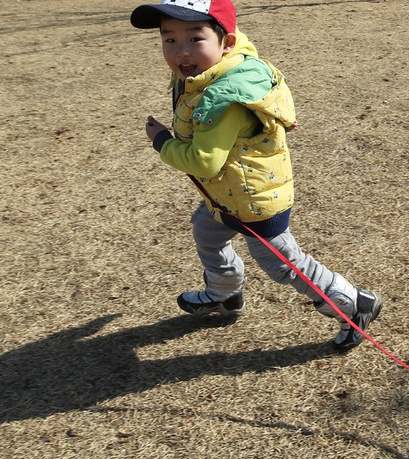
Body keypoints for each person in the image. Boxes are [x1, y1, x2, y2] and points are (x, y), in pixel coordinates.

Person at [130, 0, 382, 350]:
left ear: (227, 42)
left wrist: (161, 141)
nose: (181, 52)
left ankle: (354, 304)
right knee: (206, 230)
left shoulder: (226, 99)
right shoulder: (204, 74)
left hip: (254, 201)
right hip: (226, 195)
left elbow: (204, 162)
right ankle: (225, 292)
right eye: (169, 39)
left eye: (194, 38)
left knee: (283, 265)